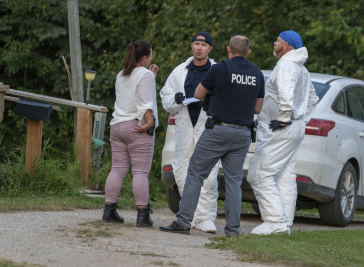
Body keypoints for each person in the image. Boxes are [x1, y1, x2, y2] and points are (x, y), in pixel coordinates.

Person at [160, 35, 264, 237]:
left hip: (218, 129)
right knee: (234, 182)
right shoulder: (257, 73)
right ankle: (233, 230)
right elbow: (258, 107)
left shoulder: (219, 69)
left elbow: (198, 94)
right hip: (243, 132)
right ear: (247, 52)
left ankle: (183, 222)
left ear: (228, 49)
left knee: (195, 173)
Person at [247, 30, 319, 235]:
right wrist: (299, 120)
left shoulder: (287, 65)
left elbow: (285, 92)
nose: (274, 43)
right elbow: (312, 100)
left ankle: (274, 221)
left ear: (286, 45)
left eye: (277, 41)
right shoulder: (302, 69)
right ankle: (284, 223)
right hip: (292, 128)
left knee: (260, 174)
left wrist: (285, 118)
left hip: (280, 127)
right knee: (285, 176)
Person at [159, 32, 220, 233]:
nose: (199, 47)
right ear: (192, 46)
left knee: (209, 173)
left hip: (207, 125)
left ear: (210, 48)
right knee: (182, 168)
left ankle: (206, 217)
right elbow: (165, 96)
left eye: (203, 44)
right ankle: (189, 214)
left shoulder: (217, 70)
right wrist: (176, 100)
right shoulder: (179, 71)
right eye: (196, 43)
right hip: (185, 125)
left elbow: (225, 97)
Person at [102, 40, 159, 227]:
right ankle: (143, 215)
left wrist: (150, 75)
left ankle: (109, 211)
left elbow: (133, 91)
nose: (151, 58)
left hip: (117, 126)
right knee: (140, 172)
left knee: (117, 169)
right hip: (137, 127)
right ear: (144, 57)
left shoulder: (121, 74)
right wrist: (149, 121)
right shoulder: (145, 75)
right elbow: (144, 101)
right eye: (150, 55)